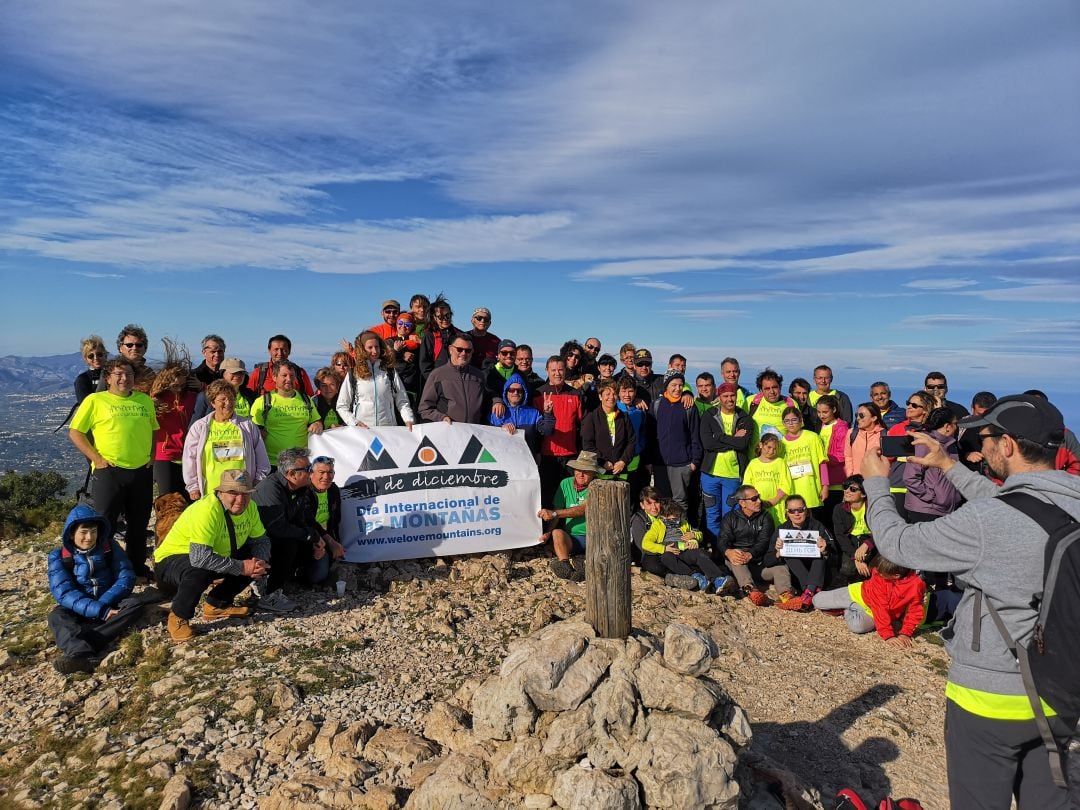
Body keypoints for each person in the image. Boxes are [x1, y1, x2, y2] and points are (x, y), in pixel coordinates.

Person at [860, 394, 1079, 808]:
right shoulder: (1072, 500)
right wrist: (948, 465)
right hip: (1061, 691)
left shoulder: (984, 523)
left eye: (988, 436)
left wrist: (875, 482)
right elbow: (1019, 504)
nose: (982, 444)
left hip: (989, 697)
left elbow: (897, 544)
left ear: (1008, 446)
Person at [154, 469, 271, 641]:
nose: (240, 499)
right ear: (220, 492)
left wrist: (259, 561)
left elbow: (261, 540)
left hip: (215, 555)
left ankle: (217, 604)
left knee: (254, 560)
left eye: (245, 493)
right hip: (172, 561)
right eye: (233, 493)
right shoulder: (207, 510)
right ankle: (178, 616)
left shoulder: (250, 507)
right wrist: (241, 567)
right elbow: (200, 557)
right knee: (199, 569)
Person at [69, 358, 158, 579]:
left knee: (139, 524)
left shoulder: (144, 401)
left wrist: (153, 455)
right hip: (109, 471)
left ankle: (136, 567)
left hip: (141, 471)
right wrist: (96, 459)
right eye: (118, 374)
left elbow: (154, 429)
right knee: (104, 524)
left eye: (128, 374)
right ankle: (101, 570)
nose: (124, 378)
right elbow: (75, 432)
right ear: (108, 378)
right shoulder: (95, 400)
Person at [47, 505, 144, 673]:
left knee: (134, 605)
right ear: (71, 533)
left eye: (93, 531)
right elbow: (64, 592)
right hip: (79, 607)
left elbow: (126, 576)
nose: (89, 537)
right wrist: (99, 610)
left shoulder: (110, 547)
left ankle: (82, 645)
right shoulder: (59, 556)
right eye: (83, 532)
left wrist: (104, 604)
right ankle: (83, 654)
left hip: (110, 602)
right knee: (56, 615)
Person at [253, 449, 333, 611]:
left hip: (273, 536)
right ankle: (269, 593)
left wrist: (316, 538)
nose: (311, 472)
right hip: (256, 542)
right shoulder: (271, 489)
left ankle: (281, 580)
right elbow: (277, 529)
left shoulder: (299, 488)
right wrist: (311, 536)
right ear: (291, 474)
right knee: (287, 544)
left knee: (310, 547)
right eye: (308, 469)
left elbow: (301, 519)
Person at [183, 379, 270, 500]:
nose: (228, 403)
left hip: (241, 491)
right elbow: (189, 457)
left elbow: (261, 456)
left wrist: (257, 480)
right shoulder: (200, 427)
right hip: (211, 490)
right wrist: (193, 487)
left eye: (231, 398)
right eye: (222, 399)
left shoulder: (247, 425)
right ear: (213, 402)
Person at [812, 555, 926, 645]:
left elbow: (915, 610)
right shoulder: (880, 573)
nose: (878, 573)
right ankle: (850, 605)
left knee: (857, 627)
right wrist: (888, 635)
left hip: (873, 611)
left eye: (882, 574)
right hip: (859, 593)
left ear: (896, 575)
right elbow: (880, 606)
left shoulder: (916, 585)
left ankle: (847, 608)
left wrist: (905, 633)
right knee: (817, 601)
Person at [636, 496, 734, 594]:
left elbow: (699, 534)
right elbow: (646, 543)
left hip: (686, 552)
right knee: (666, 557)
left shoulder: (683, 523)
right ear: (664, 517)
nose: (676, 520)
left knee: (699, 554)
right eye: (672, 518)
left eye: (677, 517)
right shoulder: (657, 525)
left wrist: (694, 538)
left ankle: (718, 579)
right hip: (670, 553)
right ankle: (695, 576)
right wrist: (664, 548)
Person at [537, 450, 603, 582]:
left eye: (586, 471)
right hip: (572, 538)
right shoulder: (565, 483)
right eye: (578, 469)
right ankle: (565, 565)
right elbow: (557, 511)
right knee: (557, 533)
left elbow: (581, 510)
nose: (581, 474)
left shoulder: (598, 486)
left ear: (594, 473)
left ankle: (579, 567)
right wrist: (548, 533)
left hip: (595, 537)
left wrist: (554, 513)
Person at [716, 485, 784, 607]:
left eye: (758, 497)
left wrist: (751, 554)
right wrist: (728, 552)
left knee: (781, 568)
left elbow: (764, 541)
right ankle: (751, 590)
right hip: (738, 563)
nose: (759, 501)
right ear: (742, 503)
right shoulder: (730, 518)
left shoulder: (765, 517)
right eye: (754, 499)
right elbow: (722, 540)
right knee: (737, 558)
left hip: (759, 563)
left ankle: (786, 595)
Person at [699, 382, 752, 538]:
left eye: (732, 395)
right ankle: (717, 550)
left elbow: (742, 444)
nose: (729, 399)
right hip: (710, 474)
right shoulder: (709, 415)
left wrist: (719, 437)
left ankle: (729, 549)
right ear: (719, 397)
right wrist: (732, 440)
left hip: (733, 475)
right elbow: (708, 443)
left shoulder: (744, 418)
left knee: (730, 516)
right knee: (712, 515)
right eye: (725, 396)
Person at [149, 340, 198, 498]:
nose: (178, 389)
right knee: (168, 499)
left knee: (189, 499)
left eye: (181, 385)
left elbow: (214, 397)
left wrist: (202, 386)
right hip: (164, 455)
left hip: (187, 454)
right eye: (174, 385)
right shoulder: (157, 399)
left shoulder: (192, 397)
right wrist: (153, 399)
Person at [533, 355, 585, 504]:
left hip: (570, 455)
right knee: (547, 496)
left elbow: (581, 425)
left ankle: (565, 527)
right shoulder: (538, 394)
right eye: (553, 370)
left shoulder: (575, 394)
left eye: (561, 370)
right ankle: (548, 527)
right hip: (547, 455)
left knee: (569, 497)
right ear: (547, 371)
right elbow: (536, 428)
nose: (557, 373)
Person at [337, 332, 415, 429]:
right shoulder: (354, 373)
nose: (374, 351)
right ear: (362, 349)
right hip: (363, 432)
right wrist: (355, 422)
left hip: (388, 430)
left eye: (376, 347)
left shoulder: (389, 371)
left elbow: (402, 399)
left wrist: (408, 419)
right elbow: (342, 406)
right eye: (370, 347)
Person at [250, 361, 323, 464]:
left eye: (292, 375)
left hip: (300, 463)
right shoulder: (262, 402)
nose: (289, 379)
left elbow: (316, 421)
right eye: (284, 375)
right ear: (274, 377)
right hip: (272, 463)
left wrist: (317, 424)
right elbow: (254, 432)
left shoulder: (306, 399)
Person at [650, 370, 702, 513]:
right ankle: (665, 534)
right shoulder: (656, 405)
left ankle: (681, 533)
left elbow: (695, 436)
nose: (677, 389)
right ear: (666, 386)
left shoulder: (688, 407)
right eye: (673, 385)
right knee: (662, 501)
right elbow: (650, 433)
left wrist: (694, 462)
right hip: (660, 462)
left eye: (680, 385)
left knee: (680, 502)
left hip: (681, 463)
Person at [769, 494, 832, 610]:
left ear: (806, 511)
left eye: (800, 510)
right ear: (787, 513)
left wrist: (825, 550)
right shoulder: (781, 530)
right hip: (797, 578)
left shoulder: (817, 526)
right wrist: (778, 552)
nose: (796, 514)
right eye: (792, 511)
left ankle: (809, 592)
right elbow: (767, 560)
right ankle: (811, 590)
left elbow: (835, 554)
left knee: (820, 555)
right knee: (788, 553)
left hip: (819, 573)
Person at [903, 407, 961, 521]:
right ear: (947, 426)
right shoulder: (924, 443)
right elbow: (910, 477)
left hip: (946, 510)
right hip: (924, 510)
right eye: (955, 423)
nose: (957, 427)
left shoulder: (952, 445)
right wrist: (932, 496)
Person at [418, 335, 489, 424]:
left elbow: (489, 397)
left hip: (473, 433)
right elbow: (424, 409)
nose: (463, 353)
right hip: (449, 433)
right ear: (450, 349)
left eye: (468, 351)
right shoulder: (437, 375)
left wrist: (497, 402)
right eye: (459, 349)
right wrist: (441, 417)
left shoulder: (479, 376)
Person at [779, 406, 828, 518]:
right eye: (787, 421)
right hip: (793, 491)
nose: (791, 423)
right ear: (783, 423)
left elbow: (822, 463)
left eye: (794, 420)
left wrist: (825, 486)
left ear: (801, 420)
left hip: (811, 489)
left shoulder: (813, 437)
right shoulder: (781, 443)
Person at [489, 372, 554, 458]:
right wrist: (501, 429)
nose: (515, 393)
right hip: (502, 460)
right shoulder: (496, 411)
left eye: (519, 390)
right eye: (512, 390)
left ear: (524, 393)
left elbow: (547, 431)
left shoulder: (534, 413)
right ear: (506, 392)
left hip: (527, 461)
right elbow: (488, 438)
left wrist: (548, 413)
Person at [580, 378, 635, 479]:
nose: (611, 397)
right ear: (600, 396)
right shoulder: (591, 417)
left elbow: (631, 441)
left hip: (621, 470)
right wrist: (602, 461)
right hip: (599, 471)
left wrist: (623, 461)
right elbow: (587, 444)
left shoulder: (624, 417)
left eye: (614, 394)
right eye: (607, 394)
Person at [742, 433, 793, 528]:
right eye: (769, 447)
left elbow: (786, 485)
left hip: (777, 505)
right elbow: (747, 487)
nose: (771, 451)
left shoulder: (780, 462)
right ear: (761, 445)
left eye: (774, 449)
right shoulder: (753, 464)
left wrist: (773, 501)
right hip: (758, 506)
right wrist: (756, 502)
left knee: (777, 530)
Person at [815, 394, 850, 530]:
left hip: (835, 481)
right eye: (818, 412)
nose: (821, 415)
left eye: (825, 412)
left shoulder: (841, 428)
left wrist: (821, 461)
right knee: (821, 519)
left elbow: (841, 455)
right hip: (821, 480)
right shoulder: (820, 426)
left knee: (832, 520)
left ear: (834, 410)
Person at [832, 474, 873, 583]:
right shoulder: (838, 509)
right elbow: (840, 536)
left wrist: (867, 544)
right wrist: (855, 557)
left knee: (876, 568)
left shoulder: (872, 507)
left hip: (870, 540)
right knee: (847, 569)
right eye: (845, 487)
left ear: (863, 494)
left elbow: (880, 531)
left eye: (853, 489)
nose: (847, 491)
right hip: (851, 540)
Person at [617, 376, 651, 505]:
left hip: (634, 462)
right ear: (618, 392)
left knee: (632, 499)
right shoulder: (613, 409)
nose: (627, 395)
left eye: (630, 391)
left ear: (635, 392)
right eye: (624, 391)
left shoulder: (639, 412)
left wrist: (640, 448)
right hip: (617, 461)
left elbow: (642, 435)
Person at [247, 334, 315, 396]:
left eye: (283, 350)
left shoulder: (300, 373)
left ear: (289, 351)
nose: (280, 353)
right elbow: (248, 397)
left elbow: (310, 397)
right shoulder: (259, 372)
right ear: (269, 351)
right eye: (276, 349)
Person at [191, 357, 255, 422]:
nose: (238, 375)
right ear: (222, 373)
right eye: (233, 372)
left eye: (241, 372)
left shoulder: (250, 395)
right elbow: (195, 424)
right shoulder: (206, 396)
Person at [747, 368, 796, 450]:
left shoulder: (790, 403)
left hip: (781, 459)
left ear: (780, 387)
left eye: (775, 387)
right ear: (761, 390)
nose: (772, 392)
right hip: (755, 458)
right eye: (767, 388)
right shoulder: (751, 402)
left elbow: (797, 433)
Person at [309, 456, 346, 560]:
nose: (326, 477)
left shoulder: (333, 490)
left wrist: (336, 542)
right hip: (308, 537)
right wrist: (331, 542)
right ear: (311, 473)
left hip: (326, 536)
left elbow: (336, 520)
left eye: (330, 472)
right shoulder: (304, 492)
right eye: (321, 472)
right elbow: (307, 522)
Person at [418, 295, 461, 380]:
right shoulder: (429, 336)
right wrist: (434, 382)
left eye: (447, 315)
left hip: (458, 380)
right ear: (434, 317)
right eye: (440, 317)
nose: (445, 319)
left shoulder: (459, 334)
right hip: (438, 381)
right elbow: (424, 364)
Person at [845, 402, 885, 477]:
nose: (857, 418)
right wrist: (850, 474)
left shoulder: (884, 434)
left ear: (874, 418)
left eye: (861, 415)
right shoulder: (851, 433)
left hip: (876, 482)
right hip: (856, 482)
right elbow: (848, 456)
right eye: (856, 415)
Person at [74, 335, 108, 404]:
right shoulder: (82, 380)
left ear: (105, 355)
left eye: (99, 354)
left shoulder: (116, 375)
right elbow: (85, 405)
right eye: (91, 356)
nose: (96, 358)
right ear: (86, 359)